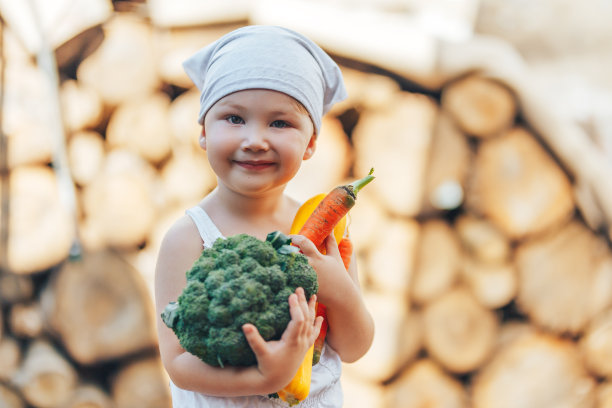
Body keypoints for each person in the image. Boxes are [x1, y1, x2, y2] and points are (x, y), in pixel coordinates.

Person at [154, 25, 374, 408]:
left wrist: (338, 288)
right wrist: (265, 377)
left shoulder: (319, 232)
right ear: (203, 131)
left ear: (310, 144)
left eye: (280, 122)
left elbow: (354, 348)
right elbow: (177, 362)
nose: (255, 139)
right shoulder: (187, 239)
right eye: (234, 119)